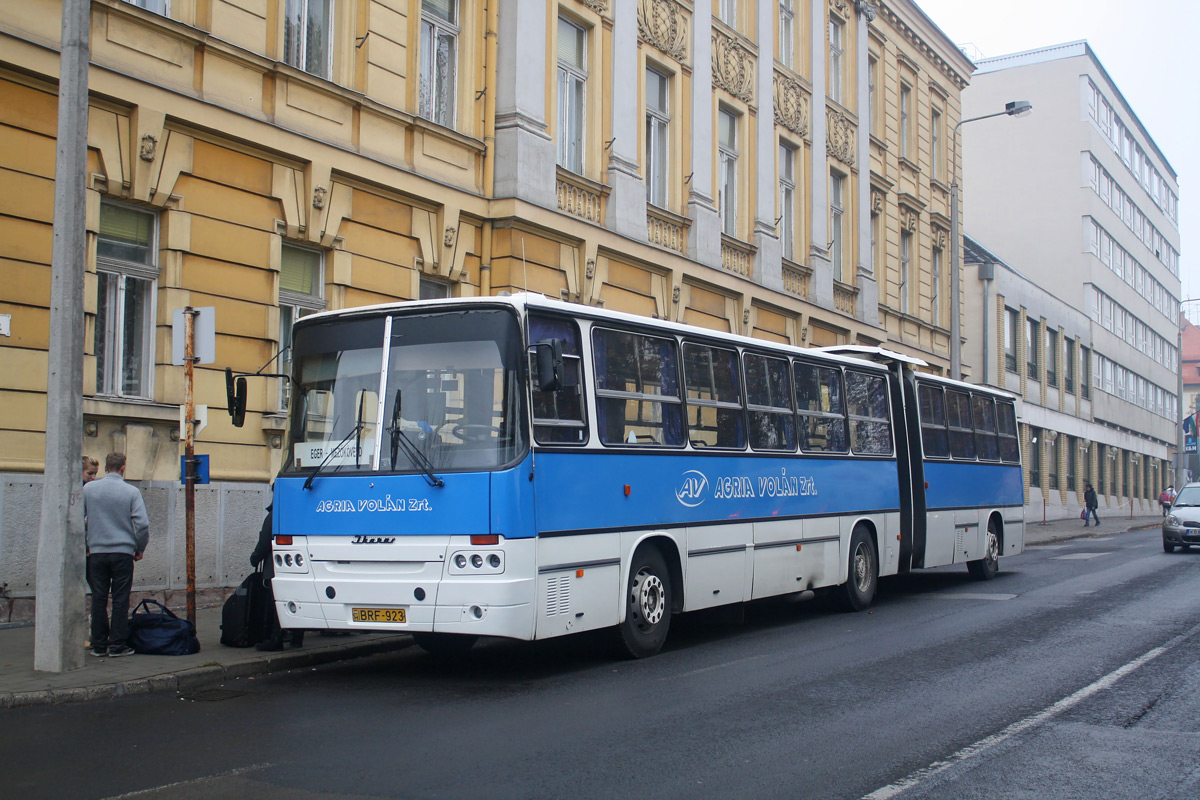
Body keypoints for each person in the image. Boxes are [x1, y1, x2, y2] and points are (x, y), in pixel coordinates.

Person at [84, 453, 150, 657]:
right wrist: (140, 548)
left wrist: (86, 543)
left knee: (98, 598)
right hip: (123, 552)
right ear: (123, 468)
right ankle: (117, 646)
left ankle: (98, 645)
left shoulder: (89, 489)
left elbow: (77, 518)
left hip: (96, 553)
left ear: (105, 467)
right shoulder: (131, 491)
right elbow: (142, 524)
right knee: (120, 599)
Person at [250, 505, 304, 651]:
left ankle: (275, 639)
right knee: (296, 601)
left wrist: (254, 559)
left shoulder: (276, 514)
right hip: (299, 565)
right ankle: (296, 638)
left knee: (276, 605)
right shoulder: (299, 510)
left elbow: (264, 542)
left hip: (277, 566)